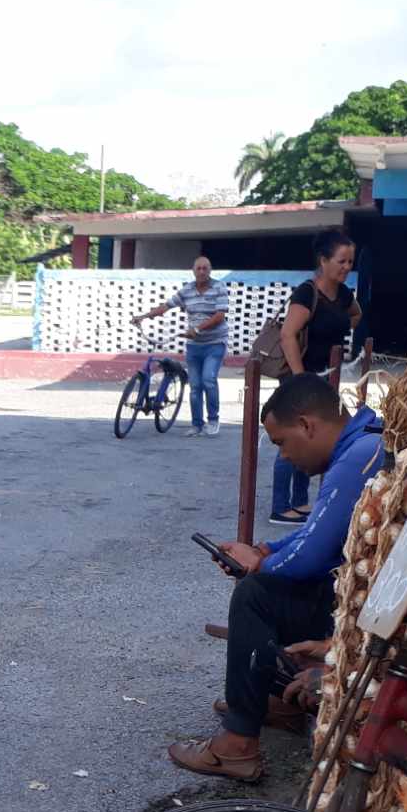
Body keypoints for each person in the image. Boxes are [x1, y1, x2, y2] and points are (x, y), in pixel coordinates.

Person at [169, 373, 384, 782]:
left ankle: (236, 746)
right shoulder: (363, 443)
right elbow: (319, 532)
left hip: (368, 614)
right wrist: (267, 551)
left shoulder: (358, 456)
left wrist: (258, 565)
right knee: (268, 579)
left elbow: (314, 556)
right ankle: (276, 700)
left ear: (307, 425)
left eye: (281, 442)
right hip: (368, 600)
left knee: (256, 593)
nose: (282, 457)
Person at [269, 229, 361, 525]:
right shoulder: (307, 293)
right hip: (299, 379)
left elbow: (356, 315)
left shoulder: (344, 295)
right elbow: (287, 335)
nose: (347, 267)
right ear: (323, 260)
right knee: (291, 438)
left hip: (325, 378)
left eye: (350, 262)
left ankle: (300, 502)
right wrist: (299, 380)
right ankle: (280, 506)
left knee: (313, 439)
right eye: (341, 261)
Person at [133, 255, 230, 435]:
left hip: (215, 343)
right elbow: (167, 305)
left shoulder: (219, 287)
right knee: (195, 386)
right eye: (198, 268)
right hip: (194, 346)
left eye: (205, 268)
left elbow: (219, 316)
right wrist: (144, 316)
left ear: (210, 271)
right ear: (193, 271)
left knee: (208, 380)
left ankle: (213, 420)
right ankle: (196, 425)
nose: (202, 272)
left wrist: (198, 329)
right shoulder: (187, 290)